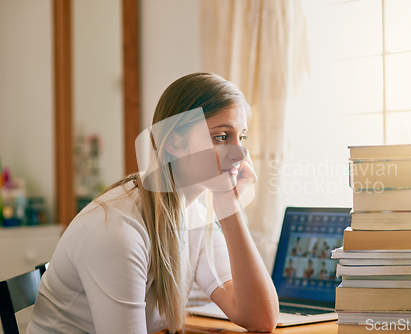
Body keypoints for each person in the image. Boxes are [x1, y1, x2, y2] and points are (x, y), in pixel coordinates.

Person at [27, 73, 279, 334]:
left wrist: (229, 205)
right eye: (221, 136)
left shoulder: (193, 213)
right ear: (173, 142)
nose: (239, 154)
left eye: (242, 137)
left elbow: (260, 318)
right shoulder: (118, 231)